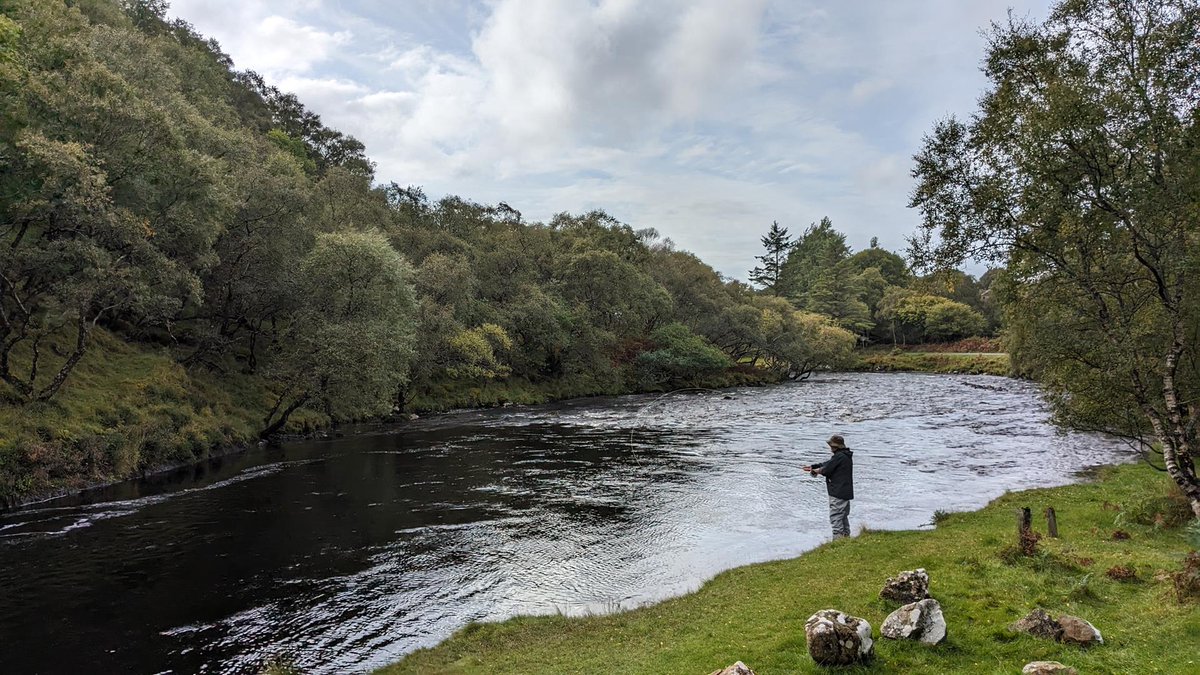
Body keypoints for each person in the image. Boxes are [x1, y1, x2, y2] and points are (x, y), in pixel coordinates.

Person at [802, 435, 854, 539]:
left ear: (836, 447)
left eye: (831, 446)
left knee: (836, 517)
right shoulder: (844, 456)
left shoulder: (839, 457)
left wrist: (815, 471)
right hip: (845, 492)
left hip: (837, 493)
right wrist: (815, 466)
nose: (830, 448)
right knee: (843, 517)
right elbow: (828, 464)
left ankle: (838, 541)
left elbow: (826, 470)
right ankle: (846, 538)